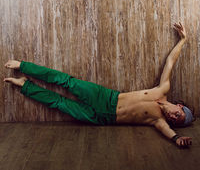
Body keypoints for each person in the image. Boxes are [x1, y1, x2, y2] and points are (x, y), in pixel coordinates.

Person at [4, 22, 194, 148]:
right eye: (178, 114)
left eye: (175, 121)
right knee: (65, 81)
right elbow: (170, 62)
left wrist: (177, 138)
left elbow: (169, 133)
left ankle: (25, 86)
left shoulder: (157, 120)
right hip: (105, 97)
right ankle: (24, 66)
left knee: (59, 103)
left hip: (101, 118)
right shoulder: (162, 90)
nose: (172, 117)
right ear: (179, 106)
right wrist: (183, 40)